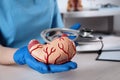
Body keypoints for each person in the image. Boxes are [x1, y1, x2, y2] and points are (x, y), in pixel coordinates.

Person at [0, 0, 77, 74]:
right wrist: (21, 55)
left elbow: (54, 32)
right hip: (8, 68)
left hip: (46, 62)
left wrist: (62, 42)